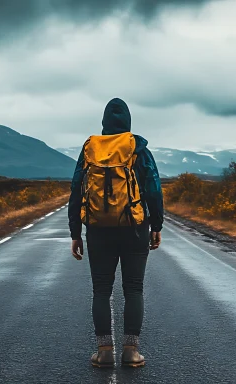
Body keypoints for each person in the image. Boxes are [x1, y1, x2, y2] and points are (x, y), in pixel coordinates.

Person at [68, 98, 164, 368]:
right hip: (134, 228)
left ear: (104, 123)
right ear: (128, 123)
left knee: (101, 290)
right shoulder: (137, 148)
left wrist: (76, 232)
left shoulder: (90, 148)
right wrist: (156, 226)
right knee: (134, 289)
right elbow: (154, 188)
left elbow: (76, 189)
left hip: (98, 229)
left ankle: (104, 351)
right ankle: (131, 351)